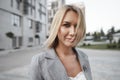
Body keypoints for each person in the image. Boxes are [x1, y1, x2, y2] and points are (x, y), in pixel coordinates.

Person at [30, 4, 92, 80]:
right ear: (56, 27)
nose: (73, 32)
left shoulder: (84, 57)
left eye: (77, 26)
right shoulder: (39, 61)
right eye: (66, 25)